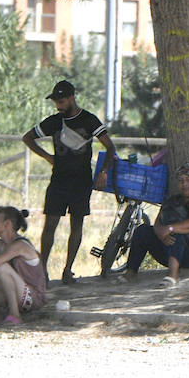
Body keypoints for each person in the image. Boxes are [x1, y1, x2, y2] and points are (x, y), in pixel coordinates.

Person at [22, 79, 117, 285]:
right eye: (56, 101)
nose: (58, 105)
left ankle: (68, 270)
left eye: (62, 101)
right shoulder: (54, 121)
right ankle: (43, 271)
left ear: (72, 98)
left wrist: (103, 172)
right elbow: (27, 137)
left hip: (81, 181)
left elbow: (110, 147)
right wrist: (47, 156)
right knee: (50, 226)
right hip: (58, 180)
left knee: (77, 225)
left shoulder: (89, 120)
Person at [120, 162, 189, 287]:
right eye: (181, 181)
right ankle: (131, 272)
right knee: (143, 230)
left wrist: (170, 228)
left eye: (188, 180)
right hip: (172, 250)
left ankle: (172, 276)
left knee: (177, 234)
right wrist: (160, 232)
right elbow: (158, 221)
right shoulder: (173, 200)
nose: (185, 184)